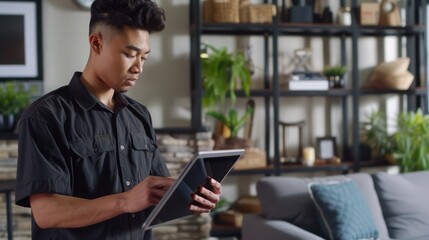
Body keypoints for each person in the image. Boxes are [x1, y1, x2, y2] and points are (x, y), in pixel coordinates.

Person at [15, 0, 222, 239]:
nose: (138, 68)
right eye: (129, 54)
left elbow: (156, 191)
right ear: (96, 43)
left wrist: (193, 194)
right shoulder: (46, 116)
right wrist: (124, 201)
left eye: (144, 57)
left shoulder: (139, 115)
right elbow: (46, 212)